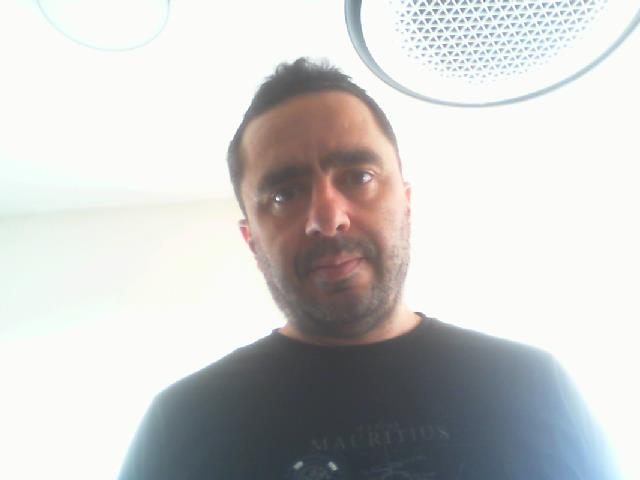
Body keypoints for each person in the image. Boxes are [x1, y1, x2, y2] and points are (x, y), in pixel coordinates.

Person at [117, 58, 621, 479]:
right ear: (251, 239)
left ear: (406, 201)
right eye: (284, 194)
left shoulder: (534, 385)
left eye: (358, 176)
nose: (327, 218)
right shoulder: (180, 423)